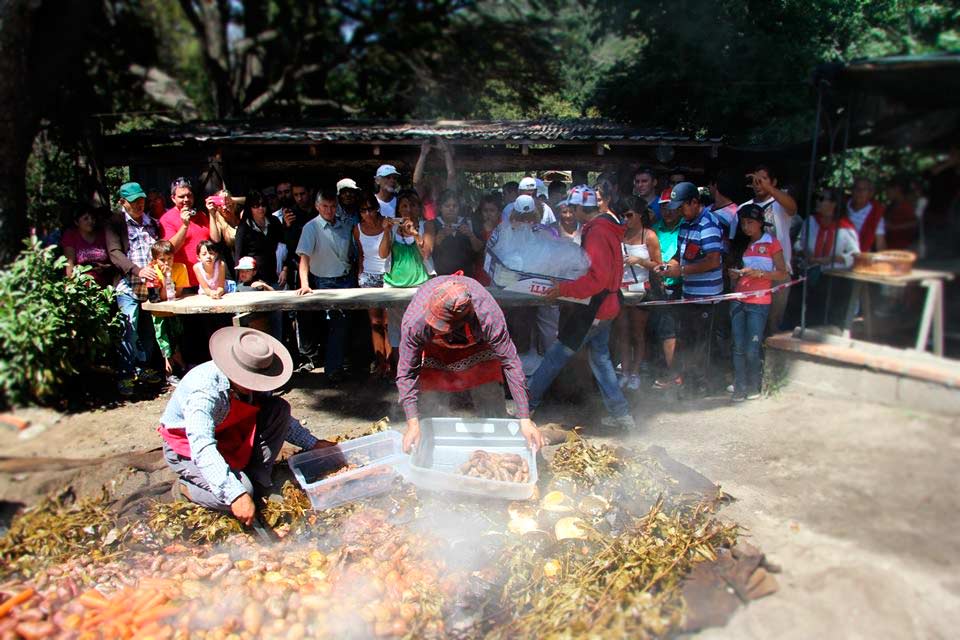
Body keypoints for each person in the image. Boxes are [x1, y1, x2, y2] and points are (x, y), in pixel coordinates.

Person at [160, 327, 335, 522]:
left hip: (230, 432)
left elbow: (281, 420)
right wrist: (235, 494)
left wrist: (312, 443)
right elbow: (202, 446)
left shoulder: (256, 381)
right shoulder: (204, 392)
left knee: (279, 408)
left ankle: (257, 478)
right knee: (236, 493)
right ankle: (186, 488)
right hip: (188, 448)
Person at [527, 185, 635, 431]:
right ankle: (622, 416)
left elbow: (597, 279)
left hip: (594, 309)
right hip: (607, 305)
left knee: (556, 356)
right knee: (601, 358)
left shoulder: (596, 232)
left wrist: (563, 289)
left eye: (570, 208)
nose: (569, 212)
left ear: (577, 208)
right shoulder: (607, 226)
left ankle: (526, 406)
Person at [396, 275, 543, 453]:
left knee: (490, 400)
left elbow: (511, 363)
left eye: (440, 325)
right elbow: (406, 373)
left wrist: (524, 418)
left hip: (478, 349)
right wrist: (412, 423)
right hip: (436, 352)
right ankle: (432, 449)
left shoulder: (488, 316)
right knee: (432, 405)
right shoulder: (415, 322)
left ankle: (498, 446)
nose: (435, 326)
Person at [659, 182, 724, 391]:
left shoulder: (709, 224)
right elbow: (681, 254)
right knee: (687, 341)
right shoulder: (686, 223)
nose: (679, 210)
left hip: (707, 297)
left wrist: (683, 271)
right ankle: (689, 384)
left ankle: (703, 386)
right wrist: (669, 266)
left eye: (682, 206)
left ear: (695, 202)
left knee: (702, 345)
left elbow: (714, 260)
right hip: (689, 294)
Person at [106, 182, 164, 396]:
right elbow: (114, 253)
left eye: (141, 200)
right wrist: (137, 270)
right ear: (122, 202)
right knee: (127, 331)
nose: (139, 205)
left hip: (151, 288)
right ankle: (125, 376)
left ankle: (143, 370)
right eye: (134, 202)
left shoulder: (152, 223)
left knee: (148, 332)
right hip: (128, 287)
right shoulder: (115, 223)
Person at [728, 204, 788, 401]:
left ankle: (754, 385)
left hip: (760, 301)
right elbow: (733, 272)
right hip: (738, 298)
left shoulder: (771, 242)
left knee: (752, 347)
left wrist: (760, 273)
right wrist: (734, 275)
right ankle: (739, 386)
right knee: (738, 346)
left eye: (750, 222)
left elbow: (782, 273)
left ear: (761, 223)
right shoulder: (740, 244)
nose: (746, 227)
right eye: (743, 223)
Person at [295, 189, 354, 382]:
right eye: (325, 206)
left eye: (332, 206)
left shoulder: (344, 225)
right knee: (336, 324)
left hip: (347, 279)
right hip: (326, 282)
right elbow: (304, 258)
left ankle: (341, 365)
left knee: (345, 325)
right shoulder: (311, 228)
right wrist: (304, 284)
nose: (329, 210)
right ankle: (333, 369)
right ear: (317, 207)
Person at [740, 165, 798, 333]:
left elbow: (793, 208)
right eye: (755, 180)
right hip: (752, 276)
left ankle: (771, 358)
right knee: (753, 324)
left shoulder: (780, 204)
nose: (758, 184)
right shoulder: (745, 208)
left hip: (778, 274)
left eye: (763, 179)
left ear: (774, 182)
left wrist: (770, 189)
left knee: (774, 322)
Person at [381, 190, 433, 367]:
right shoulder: (393, 228)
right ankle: (400, 371)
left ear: (418, 208)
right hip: (394, 286)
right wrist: (386, 232)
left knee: (421, 327)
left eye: (412, 205)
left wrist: (416, 235)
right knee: (396, 329)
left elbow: (426, 253)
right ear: (398, 210)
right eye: (404, 206)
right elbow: (383, 254)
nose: (408, 209)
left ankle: (422, 370)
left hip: (420, 285)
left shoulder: (427, 226)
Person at [614, 196, 661, 391]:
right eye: (622, 216)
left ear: (639, 215)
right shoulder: (618, 234)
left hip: (641, 288)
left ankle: (635, 373)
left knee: (638, 333)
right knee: (622, 333)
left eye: (629, 215)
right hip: (621, 289)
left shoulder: (648, 236)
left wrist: (640, 261)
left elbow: (659, 266)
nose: (625, 219)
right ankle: (624, 372)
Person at [354, 192, 392, 379]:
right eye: (363, 210)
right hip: (368, 277)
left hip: (388, 275)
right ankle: (380, 363)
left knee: (388, 323)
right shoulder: (357, 229)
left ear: (377, 208)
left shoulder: (387, 223)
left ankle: (392, 364)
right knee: (375, 322)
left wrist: (387, 230)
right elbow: (360, 253)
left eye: (370, 208)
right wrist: (359, 274)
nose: (367, 213)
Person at [650, 188, 682, 389]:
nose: (668, 211)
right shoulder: (655, 228)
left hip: (677, 285)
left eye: (671, 207)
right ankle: (666, 370)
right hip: (656, 285)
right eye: (664, 207)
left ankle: (675, 374)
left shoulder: (684, 228)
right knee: (660, 331)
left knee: (671, 331)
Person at [148, 240, 189, 385]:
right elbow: (162, 296)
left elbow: (177, 293)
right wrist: (166, 278)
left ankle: (182, 368)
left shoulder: (180, 268)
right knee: (165, 344)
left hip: (174, 312)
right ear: (155, 260)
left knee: (177, 340)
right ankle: (169, 373)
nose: (167, 263)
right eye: (162, 260)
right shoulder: (152, 271)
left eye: (170, 258)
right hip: (159, 314)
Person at [159, 177, 211, 288]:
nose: (186, 199)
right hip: (184, 282)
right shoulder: (166, 219)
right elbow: (169, 250)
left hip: (207, 280)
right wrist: (184, 226)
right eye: (181, 197)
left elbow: (214, 240)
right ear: (173, 198)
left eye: (189, 195)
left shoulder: (201, 215)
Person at [795, 188, 860, 270]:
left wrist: (832, 259)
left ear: (833, 204)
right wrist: (804, 253)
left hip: (834, 276)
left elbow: (855, 256)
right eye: (817, 198)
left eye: (821, 199)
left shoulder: (845, 228)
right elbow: (798, 244)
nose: (817, 201)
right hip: (809, 273)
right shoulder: (810, 222)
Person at [234, 190, 286, 290]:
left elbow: (284, 246)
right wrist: (240, 280)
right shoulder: (244, 227)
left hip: (275, 276)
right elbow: (238, 254)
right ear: (250, 208)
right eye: (256, 206)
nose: (260, 209)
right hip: (252, 280)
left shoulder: (274, 222)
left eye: (263, 205)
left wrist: (285, 269)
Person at [432, 190, 483, 276]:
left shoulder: (469, 222)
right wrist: (440, 236)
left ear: (459, 208)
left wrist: (471, 235)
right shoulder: (433, 224)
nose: (451, 209)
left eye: (454, 206)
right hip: (442, 276)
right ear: (440, 208)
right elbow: (429, 251)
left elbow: (479, 249)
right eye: (447, 206)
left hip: (466, 276)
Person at [62, 204, 113, 287]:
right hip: (81, 285)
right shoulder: (71, 236)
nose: (91, 221)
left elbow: (112, 261)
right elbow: (69, 265)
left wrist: (105, 268)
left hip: (104, 285)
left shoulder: (102, 235)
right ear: (76, 222)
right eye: (86, 219)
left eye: (92, 218)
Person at [413, 140, 456, 222]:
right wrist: (423, 154)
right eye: (430, 174)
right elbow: (416, 181)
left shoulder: (445, 196)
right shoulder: (423, 197)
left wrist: (446, 151)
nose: (434, 177)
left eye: (438, 174)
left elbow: (451, 175)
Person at [847, 177, 887, 252]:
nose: (859, 192)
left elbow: (880, 244)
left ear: (870, 194)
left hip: (860, 255)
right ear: (852, 190)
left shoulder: (875, 213)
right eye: (857, 188)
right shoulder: (841, 206)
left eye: (864, 190)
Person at [473, 194, 502, 285]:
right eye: (485, 211)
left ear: (498, 212)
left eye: (492, 211)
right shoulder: (476, 229)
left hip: (499, 276)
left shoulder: (504, 229)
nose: (489, 214)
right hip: (480, 275)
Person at [883, 177, 918, 250]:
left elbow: (916, 223)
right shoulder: (891, 206)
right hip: (889, 247)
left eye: (888, 189)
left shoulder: (907, 205)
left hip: (904, 248)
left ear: (897, 189)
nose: (886, 192)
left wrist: (894, 227)